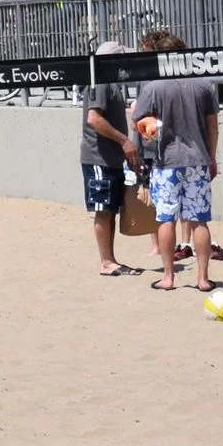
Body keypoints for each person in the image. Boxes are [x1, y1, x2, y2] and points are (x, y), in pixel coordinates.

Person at [133, 29, 220, 293]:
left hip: (166, 161)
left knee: (166, 219)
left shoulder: (154, 87)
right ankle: (203, 279)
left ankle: (169, 277)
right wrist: (212, 157)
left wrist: (147, 139)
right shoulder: (203, 84)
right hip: (197, 159)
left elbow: (137, 121)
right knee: (199, 220)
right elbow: (213, 127)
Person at [81, 41, 145, 278]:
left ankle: (110, 259)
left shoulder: (110, 82)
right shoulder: (101, 82)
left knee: (109, 209)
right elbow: (94, 119)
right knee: (103, 210)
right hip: (98, 157)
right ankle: (106, 261)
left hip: (111, 158)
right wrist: (124, 141)